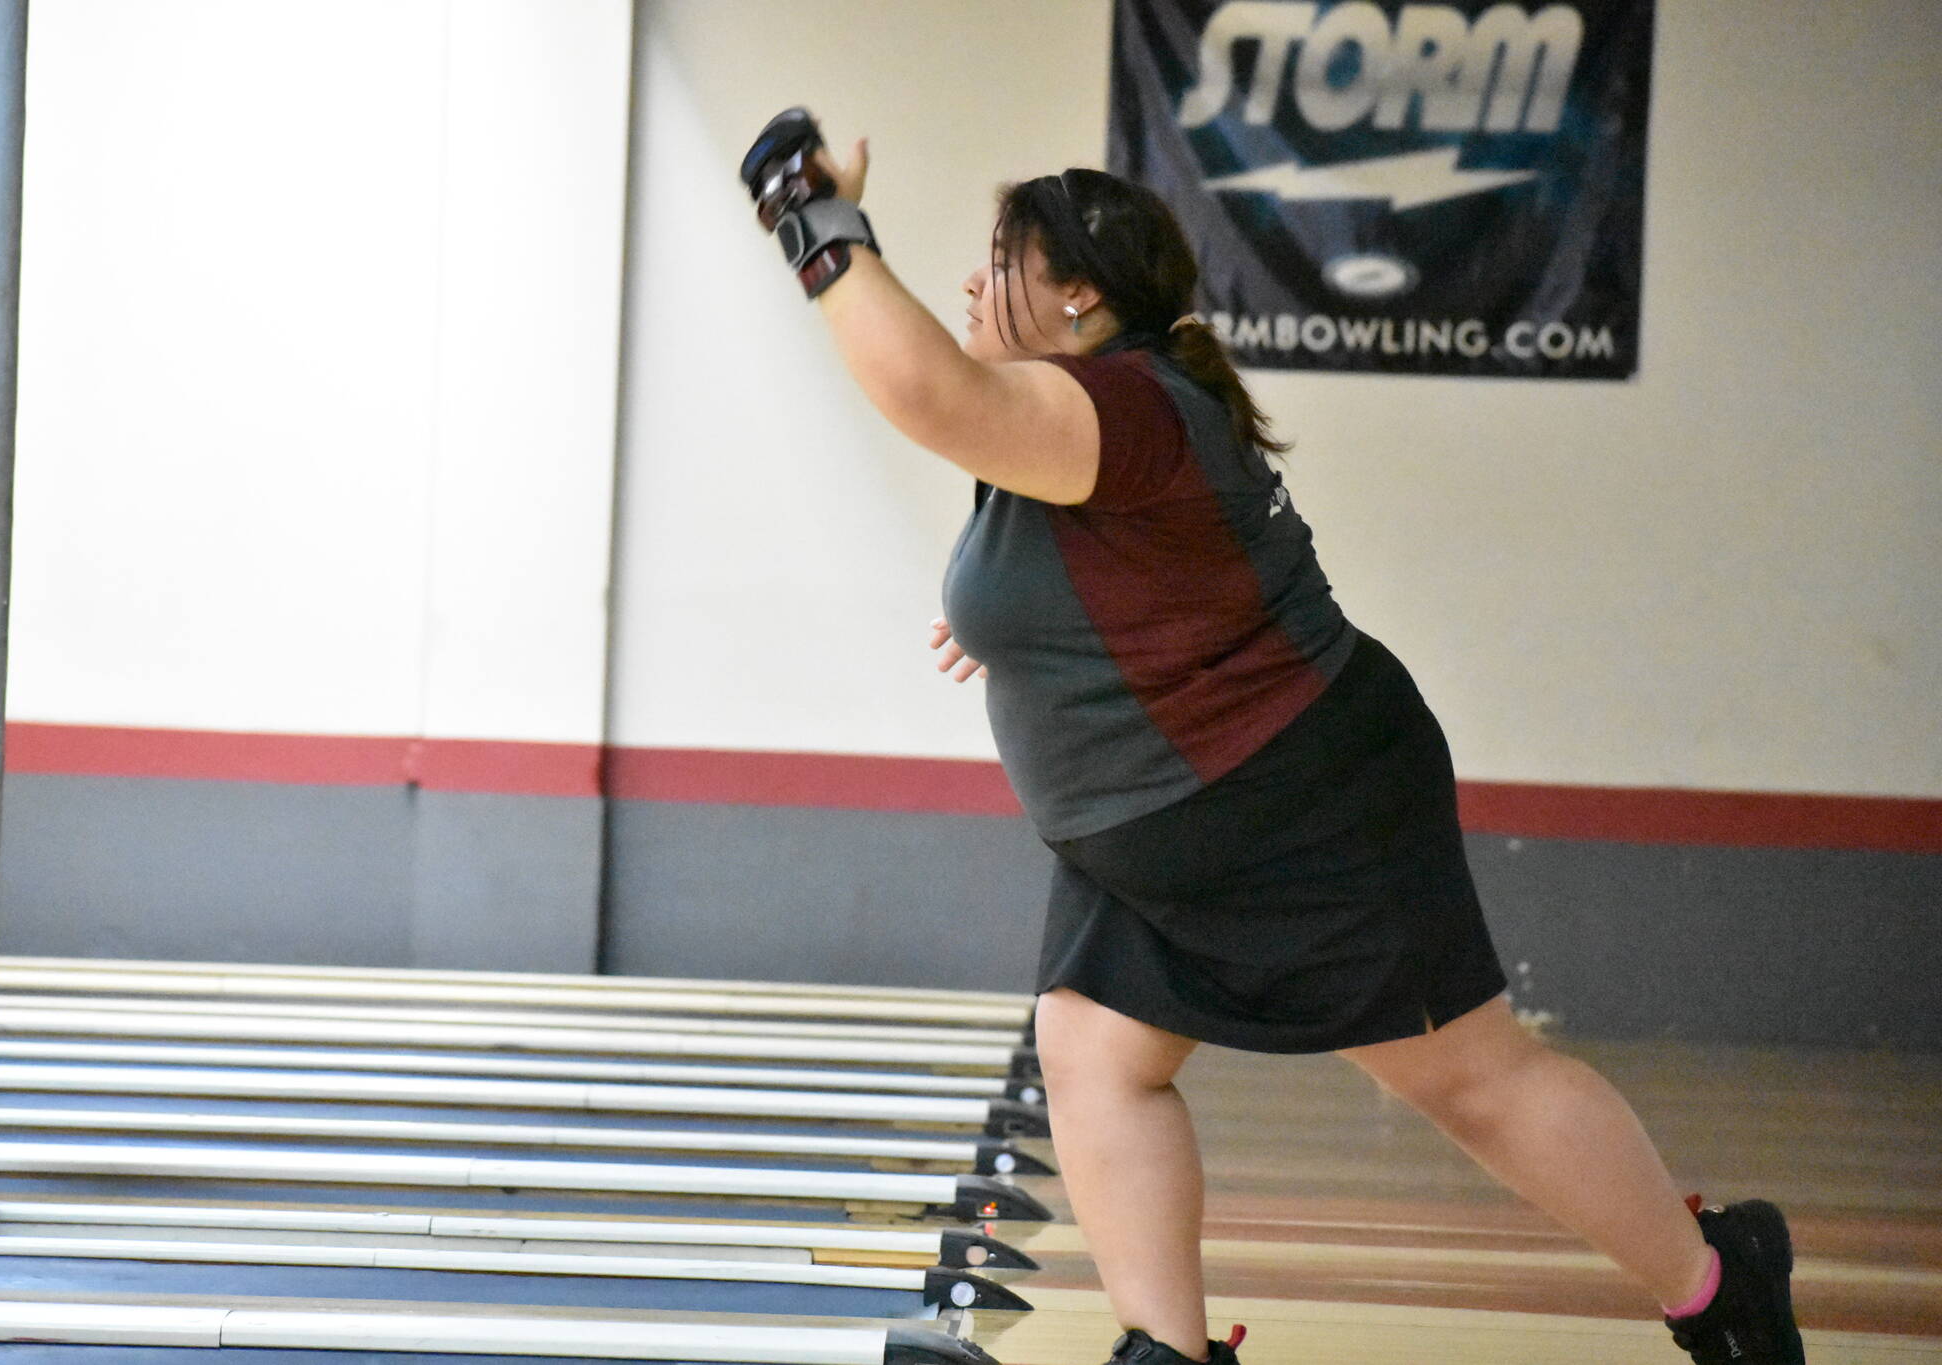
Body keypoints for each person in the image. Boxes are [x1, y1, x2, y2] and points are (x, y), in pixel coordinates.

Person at [750, 131, 1806, 1365]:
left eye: (1000, 264)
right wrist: (1025, 636)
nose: (973, 288)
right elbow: (1106, 562)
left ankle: (1715, 1283)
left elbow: (927, 392)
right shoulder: (1081, 416)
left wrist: (811, 214)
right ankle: (1165, 1353)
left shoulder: (1128, 405)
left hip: (1299, 805)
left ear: (1081, 293)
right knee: (1091, 1050)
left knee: (1468, 1081)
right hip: (1168, 826)